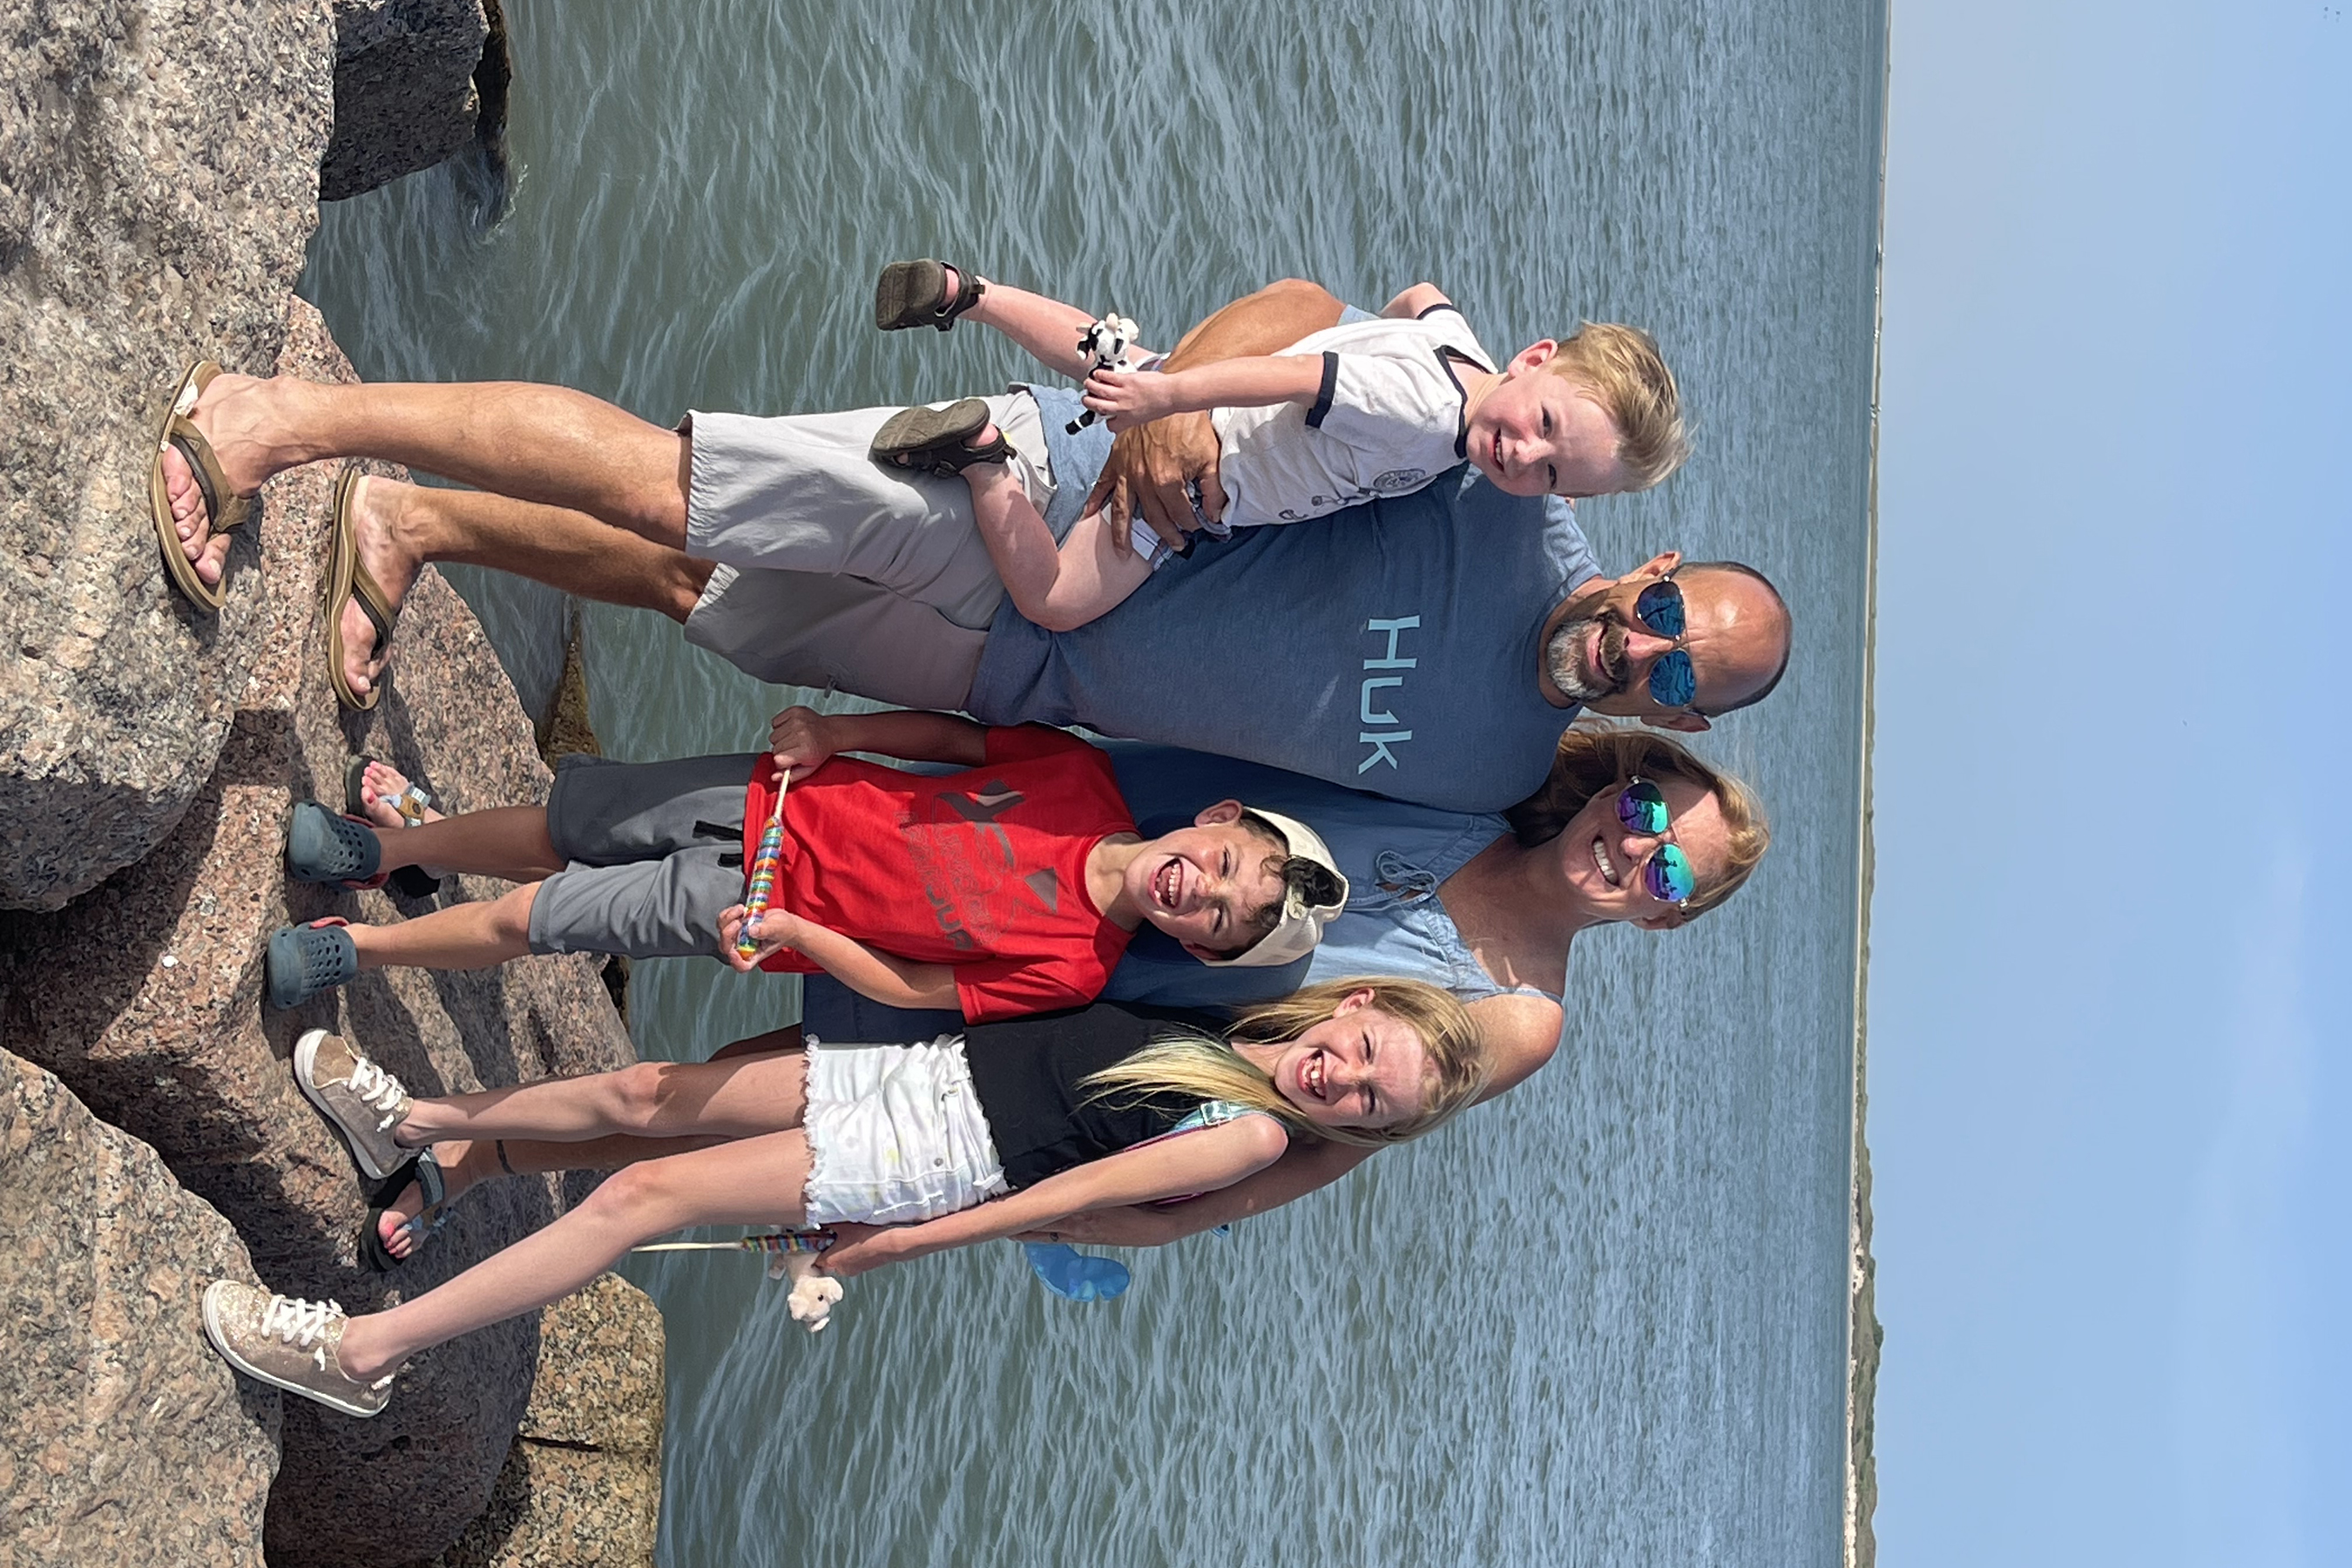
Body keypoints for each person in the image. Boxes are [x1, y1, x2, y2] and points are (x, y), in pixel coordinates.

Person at [146, 280, 1792, 813]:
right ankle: (274, 422)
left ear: (1683, 719)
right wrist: (1159, 413)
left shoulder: (1499, 773)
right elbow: (1310, 318)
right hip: (1052, 498)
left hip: (1017, 669)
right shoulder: (1496, 482)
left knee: (690, 582)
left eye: (1679, 679)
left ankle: (414, 519)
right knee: (673, 485)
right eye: (1670, 616)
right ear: (1652, 566)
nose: (1645, 651)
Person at [201, 978, 1488, 1416]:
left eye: (1370, 1103)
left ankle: (363, 1353)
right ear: (1359, 1006)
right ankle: (414, 1123)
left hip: (933, 1149)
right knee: (653, 1090)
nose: (1346, 1078)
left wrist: (890, 1243)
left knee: (641, 1195)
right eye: (1368, 1053)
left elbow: (1066, 1198)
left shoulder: (1245, 1135)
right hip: (919, 1070)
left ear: (1354, 1132)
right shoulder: (1237, 1014)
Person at [802, 721, 1769, 1247]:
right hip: (1050, 854)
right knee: (801, 868)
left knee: (813, 1107)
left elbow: (1350, 1135)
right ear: (1618, 788)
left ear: (1664, 919)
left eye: (1668, 872)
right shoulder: (1485, 783)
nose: (1634, 847)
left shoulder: (1521, 1021)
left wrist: (1174, 1219)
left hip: (1071, 1019)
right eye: (1648, 810)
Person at [262, 706, 1347, 1021]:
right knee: (564, 826)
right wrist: (836, 734)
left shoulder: (1078, 968)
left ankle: (356, 948)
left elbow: (914, 986)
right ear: (1215, 816)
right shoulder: (1083, 775)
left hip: (755, 904)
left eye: (1218, 918)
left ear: (1199, 951)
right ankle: (388, 851)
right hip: (774, 792)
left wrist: (794, 934)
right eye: (1224, 861)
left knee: (539, 919)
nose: (1199, 886)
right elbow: (954, 740)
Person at [865, 260, 1686, 630]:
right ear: (1534, 360)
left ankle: (966, 292)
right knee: (1054, 602)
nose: (1523, 456)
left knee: (1106, 353)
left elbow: (1420, 295)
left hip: (1210, 402)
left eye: (1552, 472)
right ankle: (983, 458)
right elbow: (1294, 378)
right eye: (1543, 426)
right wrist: (1166, 400)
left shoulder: (1460, 352)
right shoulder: (1423, 415)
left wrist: (1372, 335)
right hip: (1203, 475)